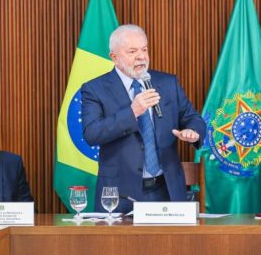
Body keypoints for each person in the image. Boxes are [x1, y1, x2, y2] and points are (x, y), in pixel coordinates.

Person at [81, 24, 206, 213]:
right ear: (114, 57)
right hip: (120, 193)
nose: (141, 56)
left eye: (144, 49)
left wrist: (194, 132)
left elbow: (192, 118)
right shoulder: (95, 89)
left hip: (167, 190)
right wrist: (132, 112)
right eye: (132, 51)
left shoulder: (167, 83)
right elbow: (91, 133)